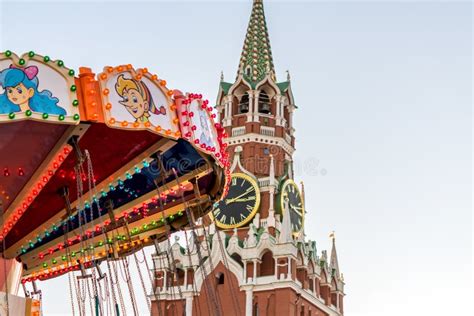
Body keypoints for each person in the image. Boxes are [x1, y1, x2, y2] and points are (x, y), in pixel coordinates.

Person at [0, 65, 66, 115]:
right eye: (10, 91)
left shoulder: (37, 115)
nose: (13, 94)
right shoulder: (10, 114)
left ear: (30, 92)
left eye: (19, 91)